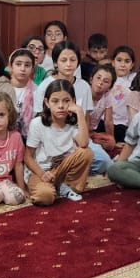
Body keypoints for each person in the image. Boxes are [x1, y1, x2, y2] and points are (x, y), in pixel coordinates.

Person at [25, 77, 92, 205]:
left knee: (86, 152)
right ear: (47, 102)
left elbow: (84, 143)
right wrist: (42, 173)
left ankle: (65, 186)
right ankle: (57, 188)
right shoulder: (37, 124)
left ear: (73, 101)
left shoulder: (73, 121)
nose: (61, 106)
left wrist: (79, 111)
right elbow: (28, 157)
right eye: (55, 101)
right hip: (41, 171)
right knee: (45, 197)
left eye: (66, 101)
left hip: (61, 170)